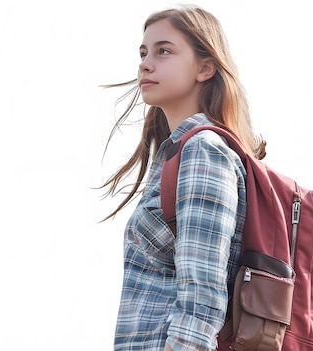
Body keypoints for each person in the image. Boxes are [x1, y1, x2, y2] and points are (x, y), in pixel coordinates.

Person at [98, 4, 267, 351]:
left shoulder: (203, 150)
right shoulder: (177, 155)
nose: (145, 63)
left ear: (205, 68)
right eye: (144, 52)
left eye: (164, 51)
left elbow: (201, 295)